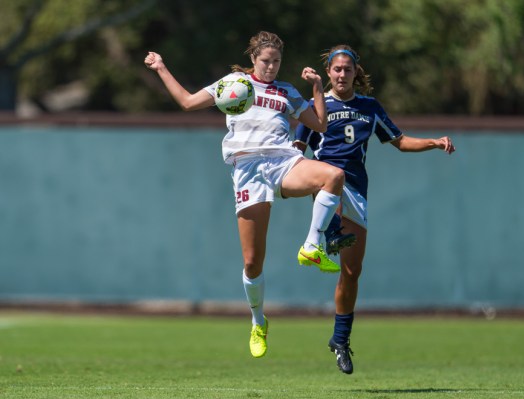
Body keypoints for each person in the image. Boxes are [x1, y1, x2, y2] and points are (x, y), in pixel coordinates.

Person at [145, 31, 347, 359]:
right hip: (248, 169)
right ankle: (257, 321)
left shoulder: (287, 92)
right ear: (254, 58)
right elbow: (186, 102)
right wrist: (161, 68)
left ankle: (311, 245)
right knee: (253, 262)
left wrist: (317, 89)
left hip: (283, 160)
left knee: (333, 176)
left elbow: (321, 125)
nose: (271, 67)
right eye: (266, 61)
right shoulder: (234, 84)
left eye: (277, 61)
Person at [294, 45, 455, 374]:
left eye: (347, 69)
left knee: (352, 272)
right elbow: (295, 150)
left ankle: (340, 340)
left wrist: (434, 142)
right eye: (336, 69)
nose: (341, 74)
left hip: (357, 191)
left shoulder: (369, 107)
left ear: (355, 72)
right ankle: (327, 234)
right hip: (325, 184)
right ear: (328, 73)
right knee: (328, 179)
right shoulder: (314, 107)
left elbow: (399, 140)